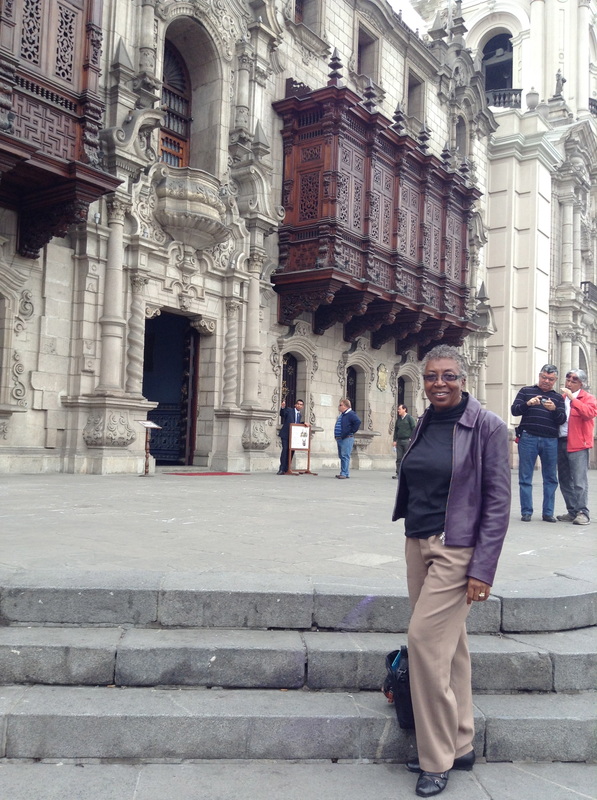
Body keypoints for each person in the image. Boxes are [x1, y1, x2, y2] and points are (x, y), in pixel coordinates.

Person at [392, 345, 510, 798]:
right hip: (418, 541)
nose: (438, 383)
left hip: (456, 549)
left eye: (448, 375)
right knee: (451, 645)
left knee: (423, 640)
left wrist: (484, 569)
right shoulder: (426, 420)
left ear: (464, 379)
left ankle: (436, 758)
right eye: (431, 376)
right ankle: (461, 744)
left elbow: (497, 504)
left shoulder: (488, 426)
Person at [511, 365, 566, 522]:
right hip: (528, 438)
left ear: (555, 380)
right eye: (544, 377)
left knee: (550, 478)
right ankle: (526, 512)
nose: (546, 381)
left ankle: (548, 512)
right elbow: (514, 410)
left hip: (550, 440)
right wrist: (528, 404)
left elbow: (562, 419)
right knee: (525, 476)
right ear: (539, 376)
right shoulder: (526, 391)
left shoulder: (558, 398)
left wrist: (554, 409)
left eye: (550, 379)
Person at [556, 369, 596, 525]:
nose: (569, 383)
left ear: (581, 384)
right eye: (568, 380)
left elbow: (589, 413)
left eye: (573, 381)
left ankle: (583, 512)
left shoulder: (588, 398)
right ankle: (572, 511)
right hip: (561, 441)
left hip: (578, 444)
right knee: (564, 480)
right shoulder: (562, 398)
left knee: (579, 481)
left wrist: (573, 399)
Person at [334, 398, 361, 479]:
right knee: (342, 456)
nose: (339, 406)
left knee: (345, 455)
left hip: (346, 438)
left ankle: (344, 473)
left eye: (340, 405)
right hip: (340, 438)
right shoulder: (343, 414)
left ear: (345, 406)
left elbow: (358, 422)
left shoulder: (351, 414)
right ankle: (345, 472)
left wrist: (350, 431)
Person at [277, 398, 305, 474]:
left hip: (294, 436)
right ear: (295, 405)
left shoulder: (299, 415)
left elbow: (296, 423)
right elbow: (282, 414)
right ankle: (282, 469)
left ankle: (287, 468)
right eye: (298, 404)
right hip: (286, 434)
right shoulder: (289, 410)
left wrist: (304, 423)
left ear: (302, 406)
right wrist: (283, 407)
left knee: (292, 451)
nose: (299, 406)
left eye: (301, 405)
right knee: (285, 450)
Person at [392, 404, 416, 478]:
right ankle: (398, 473)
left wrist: (411, 438)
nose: (398, 410)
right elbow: (396, 430)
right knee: (399, 458)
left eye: (399, 409)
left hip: (407, 441)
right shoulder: (398, 420)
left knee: (406, 457)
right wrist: (394, 440)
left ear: (404, 409)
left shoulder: (409, 418)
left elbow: (414, 428)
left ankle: (407, 473)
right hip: (399, 441)